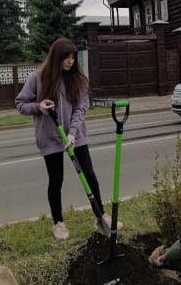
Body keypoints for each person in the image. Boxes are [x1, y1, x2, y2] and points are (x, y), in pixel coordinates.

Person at [15, 37, 121, 240]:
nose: (70, 61)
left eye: (72, 57)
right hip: (50, 137)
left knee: (89, 174)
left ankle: (101, 216)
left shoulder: (78, 79)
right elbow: (20, 104)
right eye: (66, 57)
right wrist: (39, 107)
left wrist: (72, 133)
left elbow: (81, 108)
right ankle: (58, 223)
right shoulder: (38, 78)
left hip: (75, 136)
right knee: (56, 180)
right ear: (56, 57)